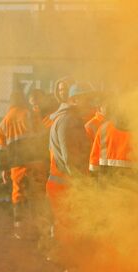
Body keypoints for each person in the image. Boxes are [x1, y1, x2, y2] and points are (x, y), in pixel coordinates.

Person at [46, 82, 96, 244]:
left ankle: (64, 266)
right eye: (86, 99)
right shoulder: (70, 121)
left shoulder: (65, 118)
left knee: (65, 231)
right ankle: (68, 267)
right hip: (66, 186)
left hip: (61, 183)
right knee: (70, 234)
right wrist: (81, 187)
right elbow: (71, 160)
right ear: (74, 100)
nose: (90, 103)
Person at [0, 89, 48, 239]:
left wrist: (4, 171)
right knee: (38, 196)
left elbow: (1, 151)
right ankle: (41, 233)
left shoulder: (3, 123)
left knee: (19, 196)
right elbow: (43, 137)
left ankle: (20, 232)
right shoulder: (31, 114)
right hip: (37, 164)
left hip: (17, 167)